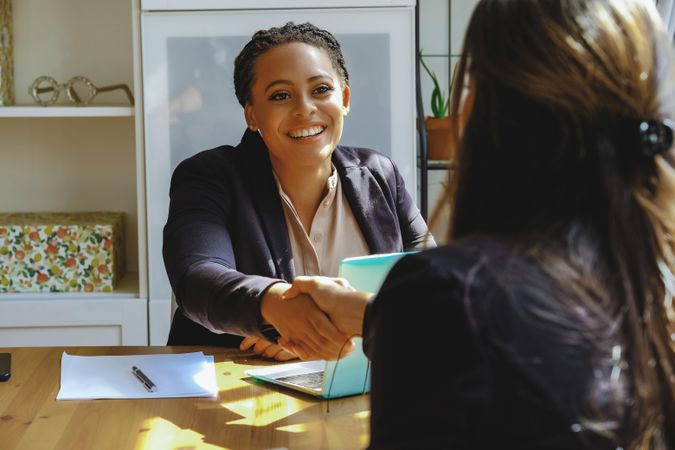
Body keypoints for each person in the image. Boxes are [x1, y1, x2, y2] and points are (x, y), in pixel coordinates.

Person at [282, 1, 675, 448]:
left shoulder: (446, 293)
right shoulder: (650, 285)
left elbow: (462, 322)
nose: (305, 110)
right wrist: (377, 315)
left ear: (476, 111)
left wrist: (400, 315)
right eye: (280, 95)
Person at [162, 22, 433, 361]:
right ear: (252, 115)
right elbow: (197, 280)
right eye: (280, 96)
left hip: (366, 392)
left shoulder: (381, 174)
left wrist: (309, 337)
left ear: (344, 98)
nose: (305, 108)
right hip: (237, 388)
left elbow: (431, 285)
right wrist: (276, 310)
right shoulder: (208, 177)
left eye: (321, 89)